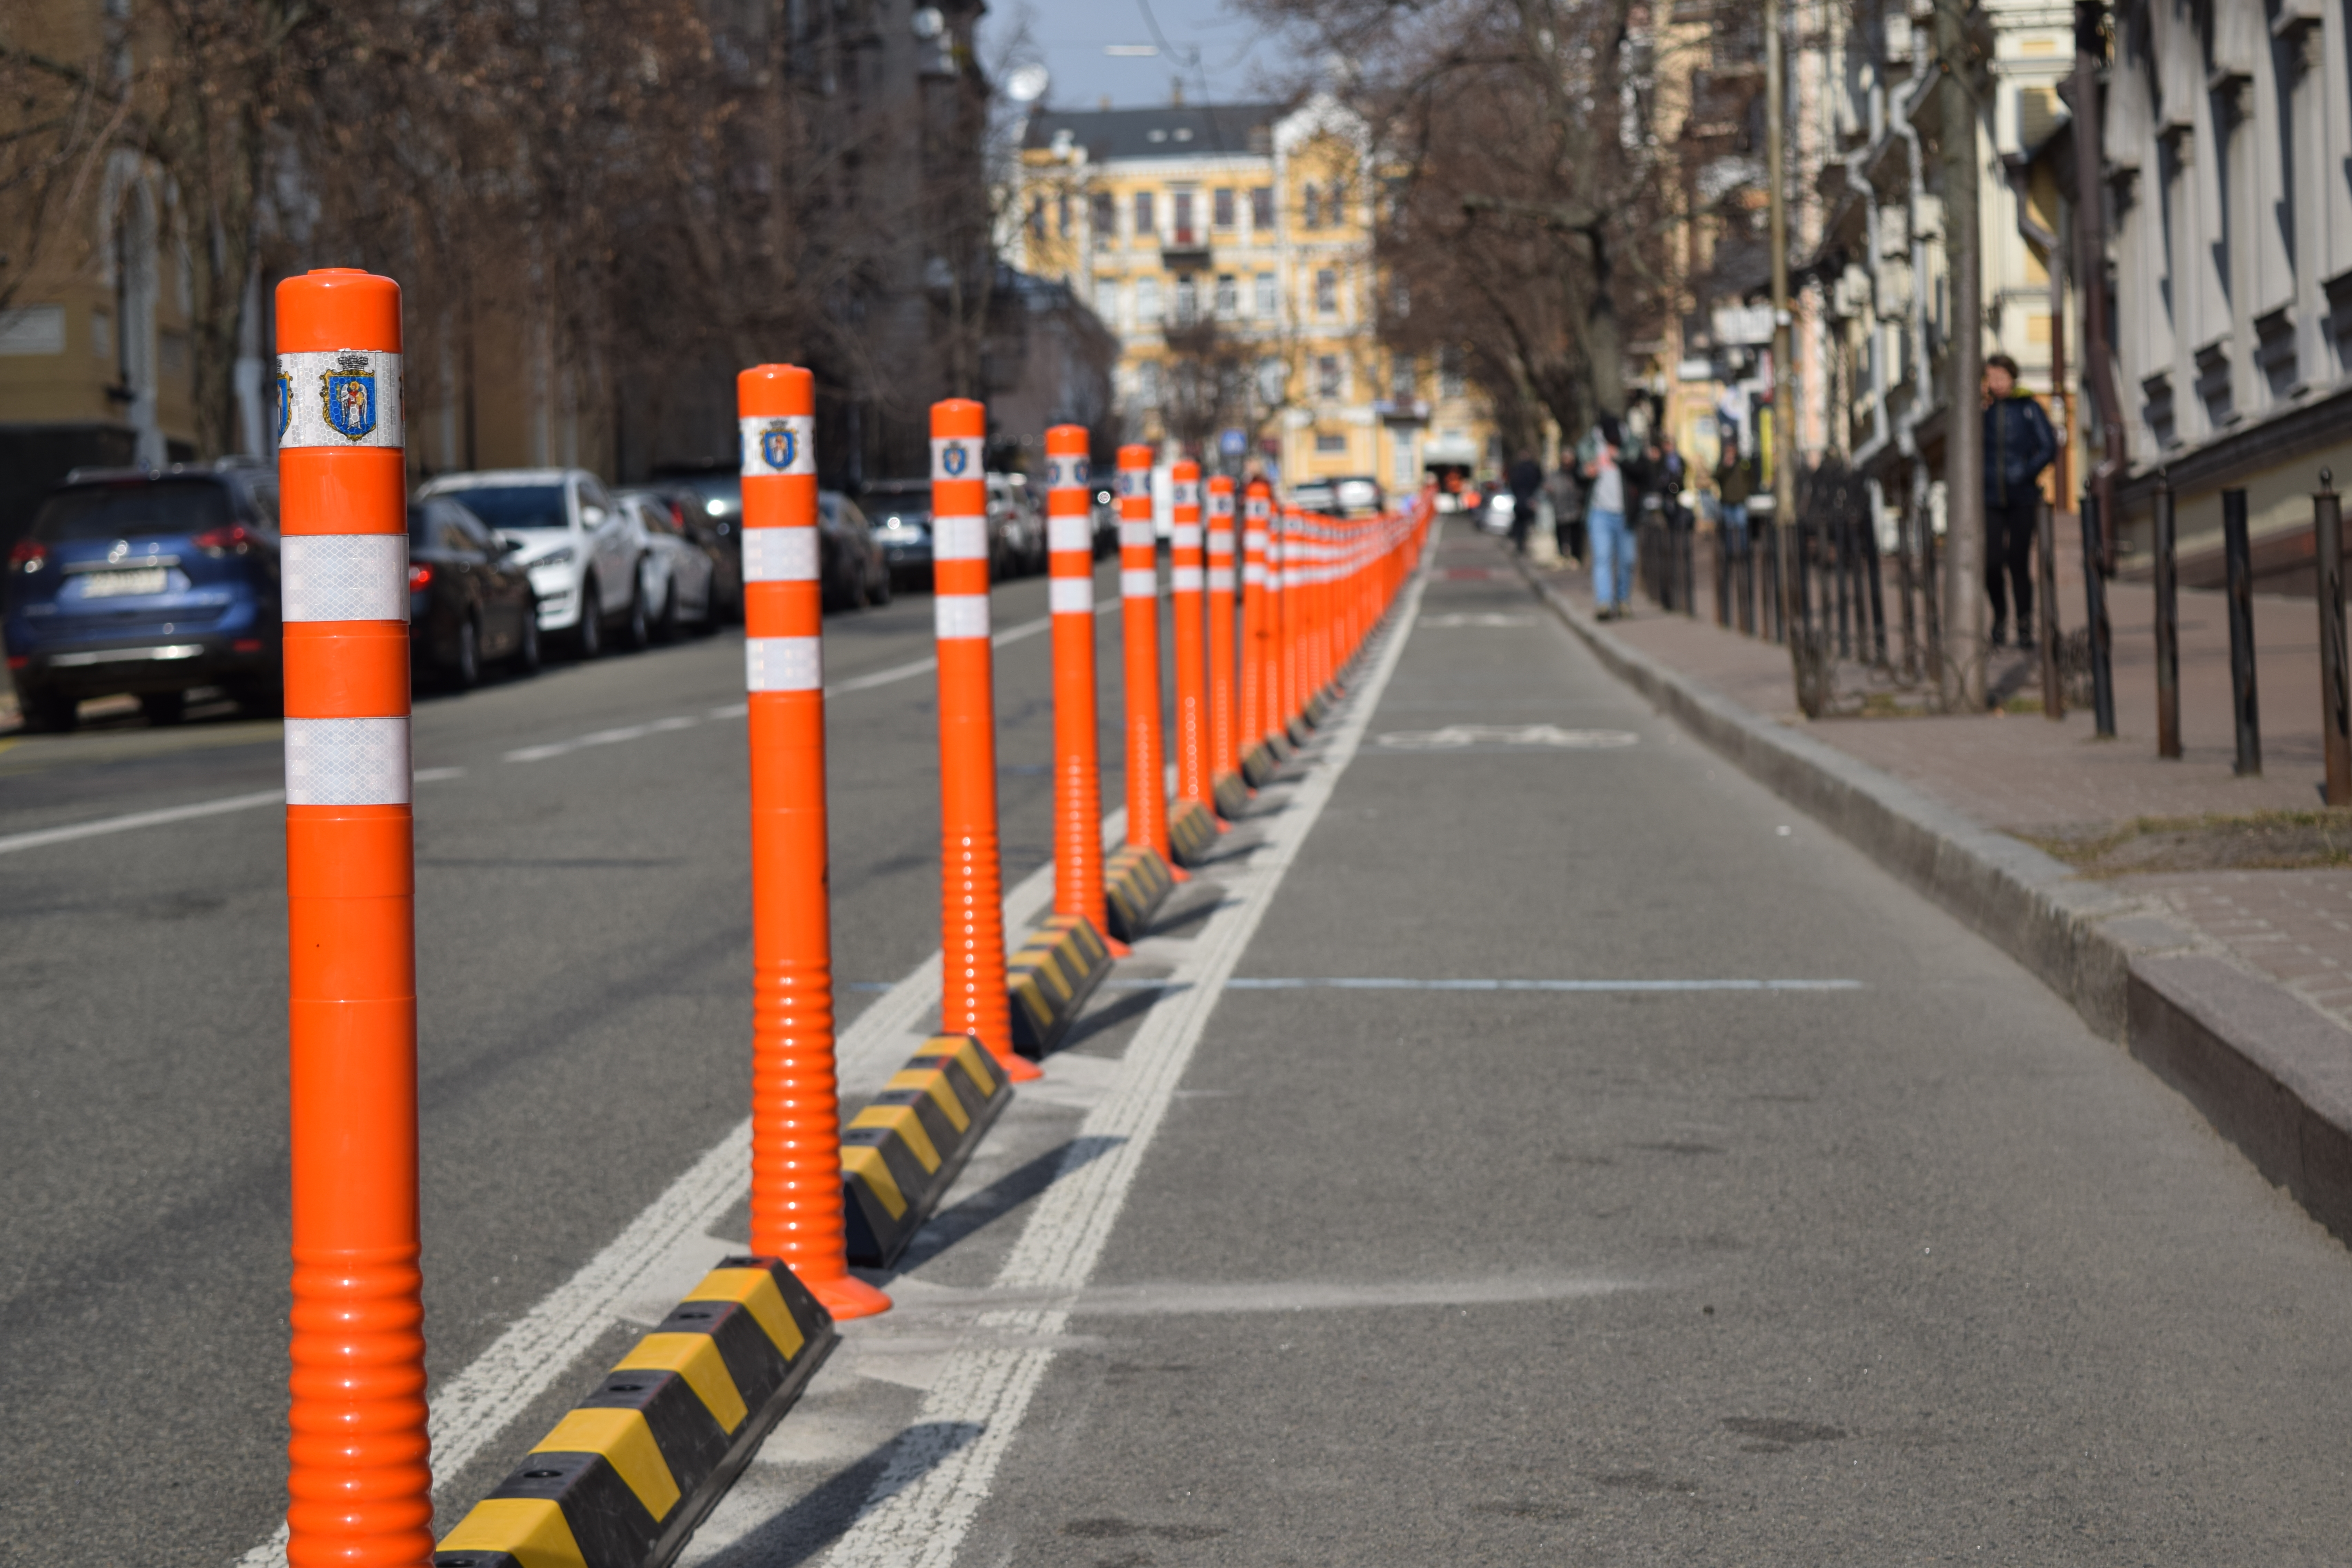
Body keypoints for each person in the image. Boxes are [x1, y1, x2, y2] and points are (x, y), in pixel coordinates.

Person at [1982, 352, 2058, 650]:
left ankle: (2025, 625)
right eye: (1991, 377)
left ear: (2013, 378)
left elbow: (2048, 447)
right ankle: (2000, 617)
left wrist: (2024, 472)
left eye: (2001, 377)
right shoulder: (1982, 412)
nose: (1996, 383)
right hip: (1989, 497)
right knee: (1991, 563)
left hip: (2022, 497)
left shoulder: (2028, 408)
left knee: (2018, 562)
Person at [1581, 415, 1632, 618]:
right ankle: (1604, 602)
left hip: (1626, 512)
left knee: (1627, 560)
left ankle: (1622, 600)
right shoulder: (1591, 446)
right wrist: (1586, 471)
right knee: (1603, 558)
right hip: (1599, 511)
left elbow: (1641, 469)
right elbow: (1579, 467)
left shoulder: (1630, 444)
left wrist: (1620, 457)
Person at [1506, 451, 1543, 554]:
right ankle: (1527, 544)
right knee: (1530, 522)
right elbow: (1539, 481)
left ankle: (1520, 543)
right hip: (1529, 498)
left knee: (1520, 522)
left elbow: (1512, 483)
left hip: (1520, 499)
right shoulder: (1533, 468)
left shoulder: (1517, 469)